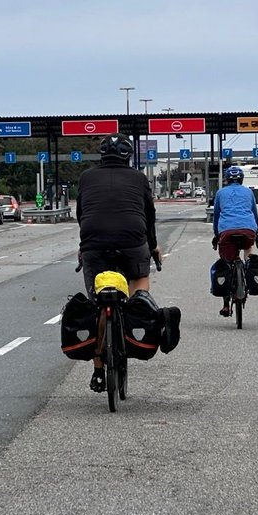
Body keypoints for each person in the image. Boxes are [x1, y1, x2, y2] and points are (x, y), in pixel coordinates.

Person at [76, 133, 170, 392]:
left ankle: (97, 370)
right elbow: (148, 217)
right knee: (139, 287)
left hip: (94, 244)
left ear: (102, 155)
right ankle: (134, 324)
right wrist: (153, 247)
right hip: (133, 243)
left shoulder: (86, 177)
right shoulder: (139, 178)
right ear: (128, 156)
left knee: (96, 304)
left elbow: (82, 215)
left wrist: (84, 247)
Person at [211, 164, 258, 317]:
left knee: (225, 262)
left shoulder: (220, 193)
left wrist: (216, 234)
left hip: (226, 230)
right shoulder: (248, 192)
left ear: (226, 179)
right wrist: (255, 231)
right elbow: (254, 213)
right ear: (242, 179)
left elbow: (217, 216)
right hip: (248, 230)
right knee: (248, 249)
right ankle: (248, 267)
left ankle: (226, 304)